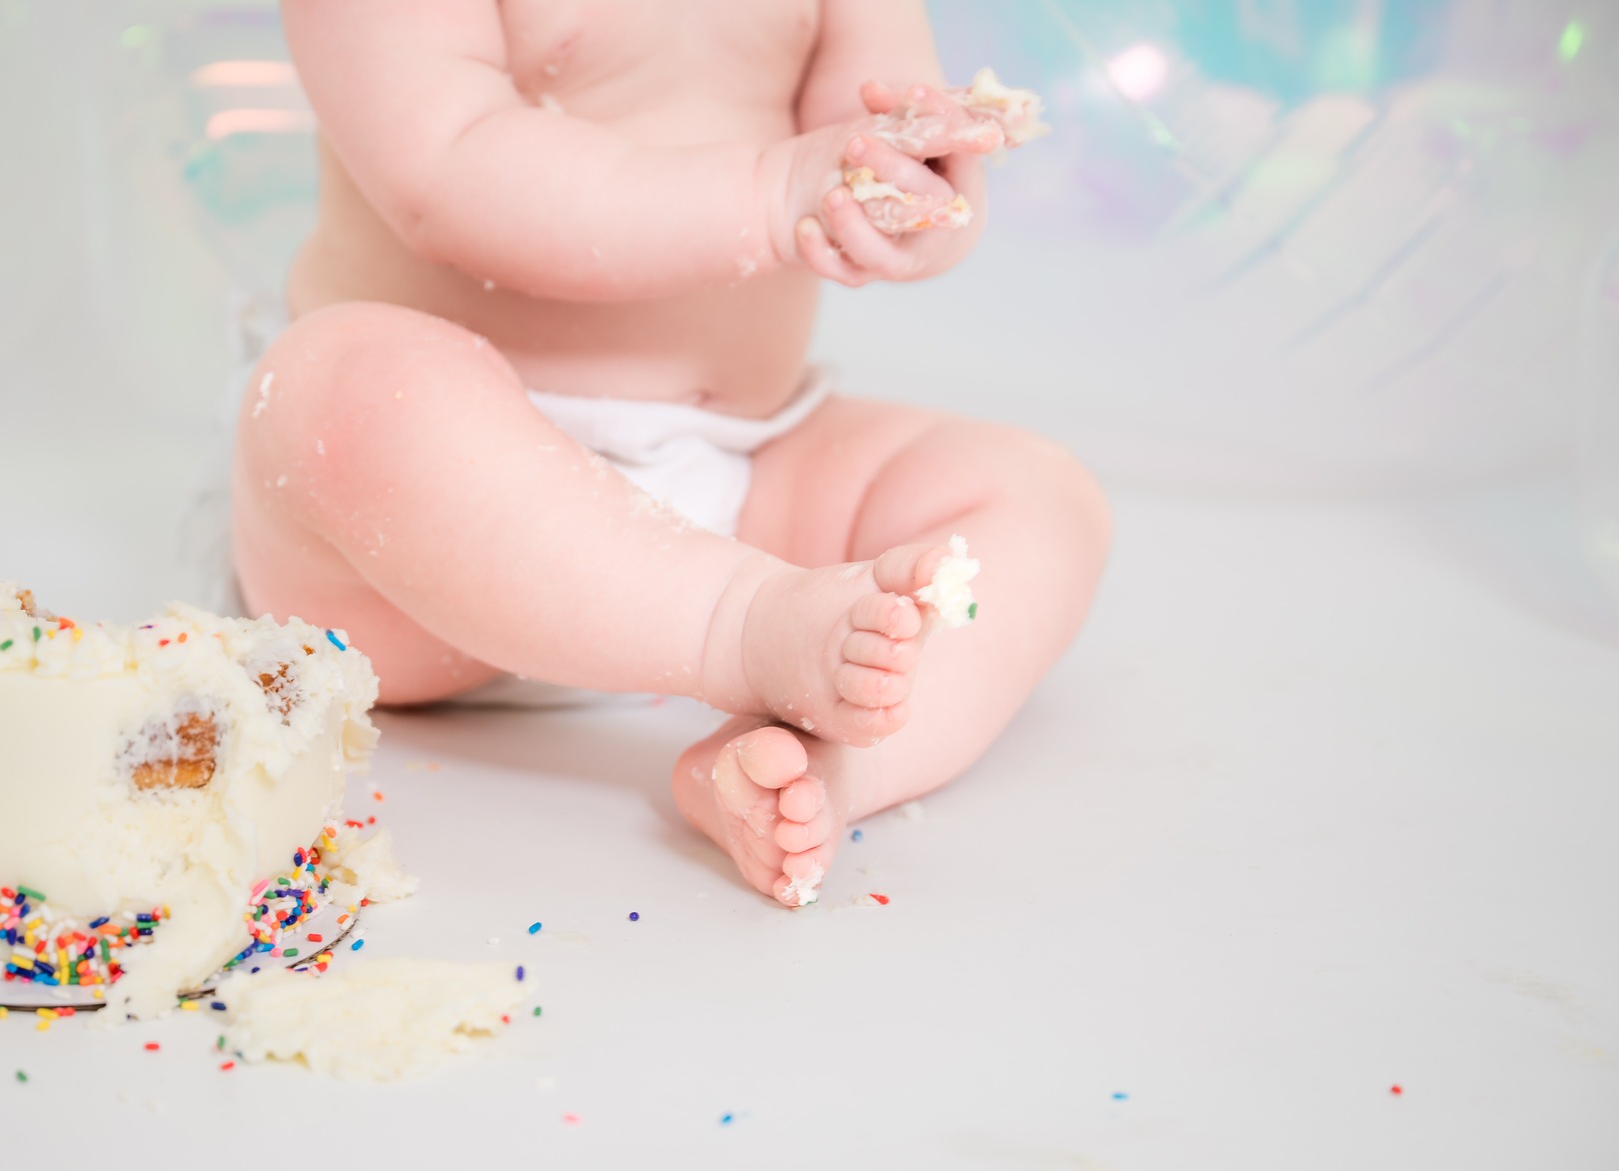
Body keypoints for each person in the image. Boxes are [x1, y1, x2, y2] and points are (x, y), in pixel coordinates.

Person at [232, 0, 1110, 906]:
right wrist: (774, 192)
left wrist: (915, 185)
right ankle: (742, 625)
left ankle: (825, 761)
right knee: (340, 386)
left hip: (737, 471)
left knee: (1039, 497)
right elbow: (446, 171)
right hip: (427, 543)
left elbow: (864, 131)